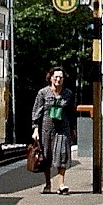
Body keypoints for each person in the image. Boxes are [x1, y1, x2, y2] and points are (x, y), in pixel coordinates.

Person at [32, 65, 76, 195]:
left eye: (60, 77)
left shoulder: (68, 94)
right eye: (56, 77)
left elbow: (71, 113)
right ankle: (47, 183)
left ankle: (61, 185)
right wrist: (35, 129)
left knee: (62, 154)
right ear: (50, 78)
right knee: (47, 156)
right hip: (47, 129)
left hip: (63, 129)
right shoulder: (43, 93)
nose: (58, 79)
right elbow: (37, 111)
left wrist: (73, 129)